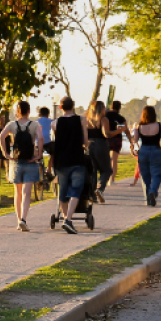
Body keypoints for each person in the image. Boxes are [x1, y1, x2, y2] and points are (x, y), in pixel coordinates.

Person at [0, 101, 43, 231]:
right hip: (30, 160)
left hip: (16, 161)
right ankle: (24, 219)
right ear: (29, 111)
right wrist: (39, 154)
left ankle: (19, 221)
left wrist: (5, 153)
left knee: (17, 192)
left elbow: (1, 136)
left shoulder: (12, 125)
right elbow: (40, 138)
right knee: (26, 192)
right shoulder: (35, 124)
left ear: (17, 112)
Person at [51, 97, 88, 235]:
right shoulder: (81, 120)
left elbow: (58, 140)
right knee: (76, 190)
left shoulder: (55, 123)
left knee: (63, 191)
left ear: (60, 108)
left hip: (61, 161)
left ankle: (67, 220)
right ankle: (68, 219)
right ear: (73, 106)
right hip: (77, 158)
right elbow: (84, 141)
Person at [132, 105, 161, 207]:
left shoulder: (139, 126)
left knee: (145, 176)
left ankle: (149, 198)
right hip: (156, 151)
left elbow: (135, 140)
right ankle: (153, 191)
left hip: (144, 151)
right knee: (156, 176)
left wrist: (134, 130)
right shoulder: (160, 125)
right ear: (154, 114)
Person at [85, 101, 115, 203]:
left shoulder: (86, 120)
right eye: (103, 108)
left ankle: (92, 196)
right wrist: (119, 130)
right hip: (100, 145)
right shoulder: (103, 120)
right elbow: (106, 134)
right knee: (107, 170)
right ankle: (100, 189)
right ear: (100, 109)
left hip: (89, 146)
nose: (105, 109)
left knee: (92, 172)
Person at [105, 100, 133, 184]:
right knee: (114, 160)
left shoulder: (105, 116)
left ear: (111, 106)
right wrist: (131, 141)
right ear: (119, 108)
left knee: (107, 160)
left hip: (107, 139)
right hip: (117, 139)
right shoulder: (121, 118)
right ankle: (112, 179)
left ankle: (105, 177)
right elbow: (126, 131)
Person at [36, 106, 55, 174]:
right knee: (54, 153)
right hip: (47, 141)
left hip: (37, 141)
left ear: (39, 114)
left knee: (38, 156)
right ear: (48, 114)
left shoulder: (36, 121)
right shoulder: (51, 121)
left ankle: (39, 169)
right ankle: (49, 169)